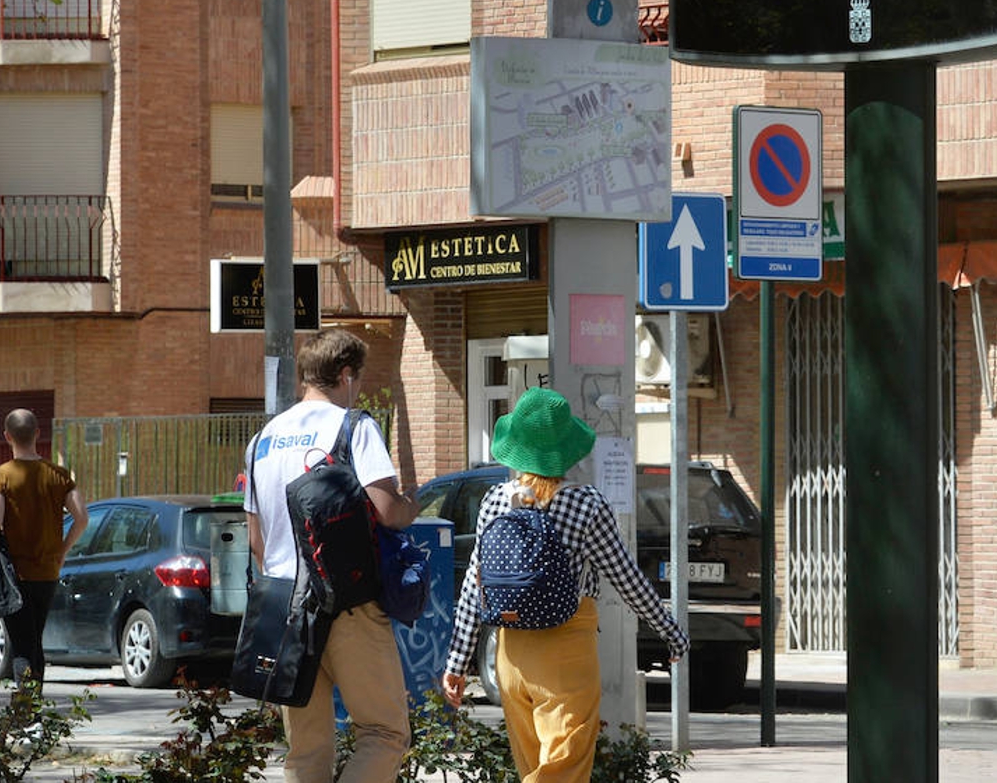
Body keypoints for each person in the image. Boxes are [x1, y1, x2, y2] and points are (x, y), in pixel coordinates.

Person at [440, 388, 690, 782]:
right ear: (567, 451)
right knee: (565, 770)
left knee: (533, 768)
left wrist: (457, 662)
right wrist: (671, 632)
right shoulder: (586, 505)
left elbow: (475, 587)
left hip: (510, 652)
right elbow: (626, 579)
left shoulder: (493, 502)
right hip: (566, 650)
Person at [243, 328, 419, 783]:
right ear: (345, 375)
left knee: (305, 752)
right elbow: (387, 511)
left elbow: (257, 541)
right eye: (356, 379)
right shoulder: (353, 426)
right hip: (349, 606)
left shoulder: (261, 439)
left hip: (285, 610)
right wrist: (410, 505)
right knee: (384, 732)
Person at [0, 407, 89, 687]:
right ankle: (34, 715)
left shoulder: (1, 475)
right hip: (48, 572)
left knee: (22, 645)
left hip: (14, 575)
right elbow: (82, 518)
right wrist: (62, 551)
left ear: (7, 436)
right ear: (38, 434)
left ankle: (27, 715)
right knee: (33, 639)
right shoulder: (60, 475)